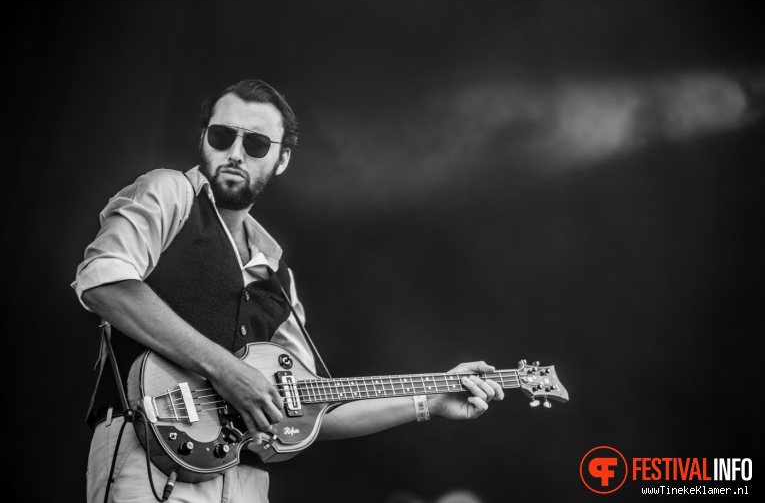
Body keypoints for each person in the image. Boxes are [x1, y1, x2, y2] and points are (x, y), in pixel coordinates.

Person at [73, 79, 504, 503]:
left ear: (281, 160)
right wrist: (228, 371)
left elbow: (315, 407)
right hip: (147, 457)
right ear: (203, 138)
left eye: (257, 144)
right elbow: (104, 282)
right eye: (222, 136)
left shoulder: (277, 275)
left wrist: (428, 398)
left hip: (245, 484)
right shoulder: (170, 193)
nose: (235, 153)